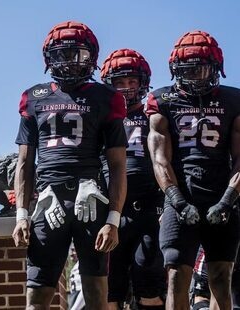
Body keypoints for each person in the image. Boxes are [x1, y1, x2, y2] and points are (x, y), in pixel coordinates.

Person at [12, 21, 127, 309]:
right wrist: (22, 215)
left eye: (80, 54)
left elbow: (117, 165)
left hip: (90, 197)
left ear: (93, 58)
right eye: (63, 54)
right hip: (48, 198)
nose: (71, 62)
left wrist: (113, 219)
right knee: (36, 297)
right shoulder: (33, 98)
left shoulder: (106, 97)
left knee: (97, 296)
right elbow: (25, 162)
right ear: (49, 58)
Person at [146, 30, 240, 309]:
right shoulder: (163, 100)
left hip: (221, 193)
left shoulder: (233, 100)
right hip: (181, 194)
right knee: (176, 275)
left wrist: (227, 201)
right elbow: (159, 159)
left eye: (202, 69)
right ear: (176, 70)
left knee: (221, 278)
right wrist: (177, 202)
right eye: (189, 70)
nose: (196, 75)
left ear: (216, 69)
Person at [100, 49, 166, 309]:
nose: (126, 88)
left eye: (132, 82)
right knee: (109, 293)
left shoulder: (155, 116)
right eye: (119, 83)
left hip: (148, 211)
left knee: (149, 287)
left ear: (143, 83)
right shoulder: (100, 119)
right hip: (110, 212)